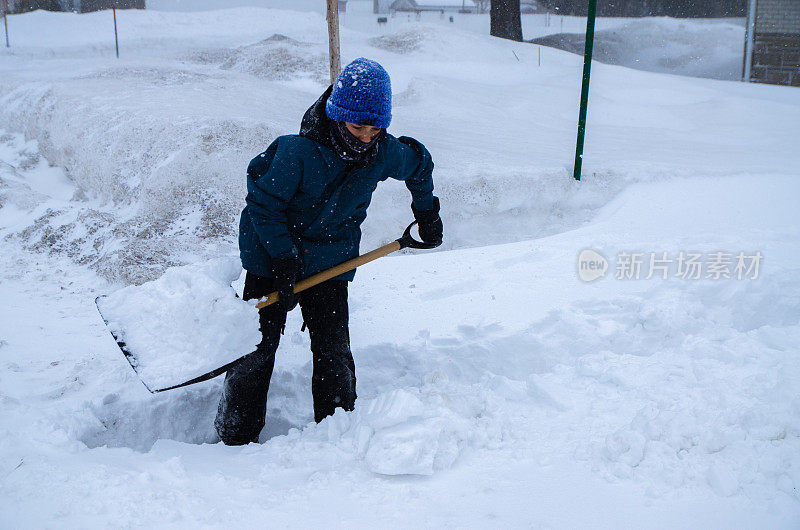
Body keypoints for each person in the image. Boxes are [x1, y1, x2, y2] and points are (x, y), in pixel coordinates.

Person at [215, 58, 443, 445]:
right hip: (271, 257)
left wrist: (426, 210)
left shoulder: (383, 152)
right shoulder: (296, 152)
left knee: (333, 347)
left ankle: (337, 432)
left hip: (331, 260)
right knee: (257, 348)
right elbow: (263, 205)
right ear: (338, 116)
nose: (367, 136)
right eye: (358, 127)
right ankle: (235, 434)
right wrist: (283, 258)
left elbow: (419, 165)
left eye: (377, 127)